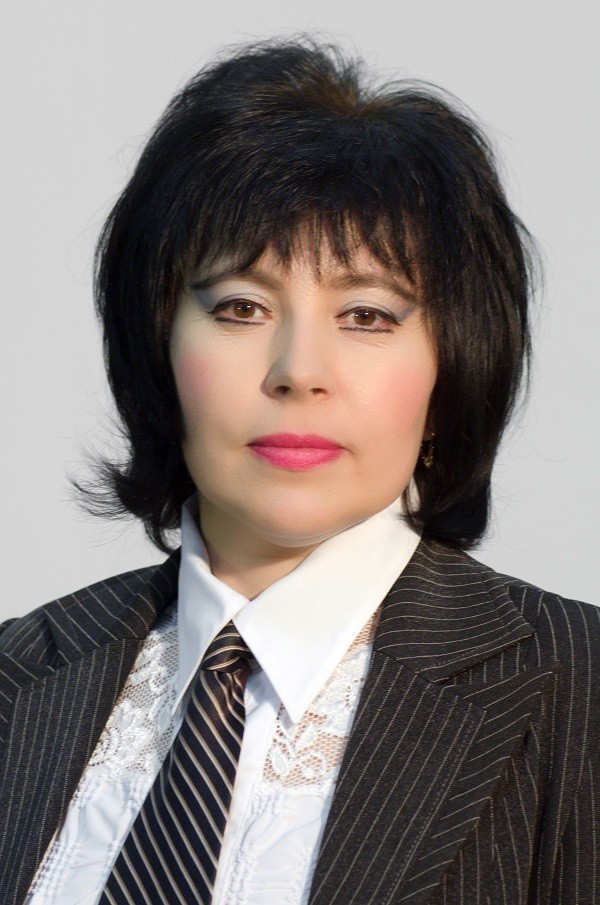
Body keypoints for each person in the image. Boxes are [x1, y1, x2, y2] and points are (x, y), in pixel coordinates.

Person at [0, 37, 598, 905]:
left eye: (367, 315)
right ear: (157, 346)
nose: (299, 370)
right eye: (242, 307)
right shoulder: (20, 674)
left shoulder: (576, 688)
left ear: (453, 365)